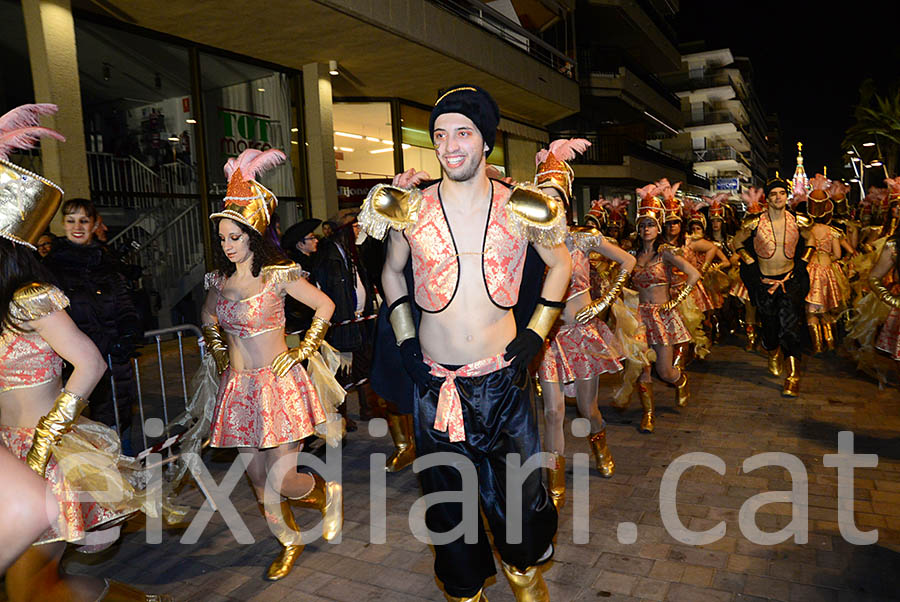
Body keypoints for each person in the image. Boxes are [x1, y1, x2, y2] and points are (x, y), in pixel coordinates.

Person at [360, 84, 570, 601]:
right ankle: (465, 589)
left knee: (520, 512)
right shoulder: (409, 209)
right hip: (435, 387)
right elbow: (392, 274)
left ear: (486, 142)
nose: (450, 145)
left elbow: (562, 263)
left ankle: (527, 584)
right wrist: (407, 344)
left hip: (503, 386)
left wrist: (535, 333)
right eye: (440, 134)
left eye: (463, 132)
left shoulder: (524, 205)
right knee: (449, 516)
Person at [0, 103, 171, 602]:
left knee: (30, 588)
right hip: (8, 456)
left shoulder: (31, 298)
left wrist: (51, 430)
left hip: (47, 455)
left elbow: (90, 361)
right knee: (32, 587)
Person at [201, 148, 342, 581]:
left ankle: (325, 492)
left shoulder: (279, 274)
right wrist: (223, 356)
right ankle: (288, 542)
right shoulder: (218, 282)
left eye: (234, 238)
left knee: (283, 478)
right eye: (222, 238)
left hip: (278, 386)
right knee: (258, 480)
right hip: (238, 389)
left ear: (253, 236)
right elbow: (208, 319)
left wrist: (303, 351)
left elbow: (325, 305)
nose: (226, 246)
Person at [529, 139, 635, 510]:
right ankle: (554, 484)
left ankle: (600, 445)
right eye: (543, 195)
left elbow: (628, 263)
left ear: (565, 199)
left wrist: (604, 303)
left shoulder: (584, 238)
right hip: (549, 340)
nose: (550, 202)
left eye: (555, 194)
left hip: (583, 335)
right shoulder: (530, 243)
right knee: (553, 411)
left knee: (587, 410)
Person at [43, 198, 141, 443]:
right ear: (63, 224)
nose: (78, 226)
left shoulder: (107, 266)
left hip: (114, 372)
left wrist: (128, 335)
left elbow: (127, 309)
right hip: (74, 375)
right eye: (71, 220)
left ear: (94, 224)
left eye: (84, 221)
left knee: (119, 443)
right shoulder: (49, 269)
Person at [628, 183, 700, 432]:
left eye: (650, 225)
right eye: (642, 225)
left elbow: (693, 274)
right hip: (638, 318)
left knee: (665, 370)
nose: (646, 229)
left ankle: (681, 381)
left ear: (658, 227)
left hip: (661, 317)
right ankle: (648, 415)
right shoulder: (633, 255)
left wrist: (675, 302)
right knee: (642, 369)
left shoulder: (665, 253)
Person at [732, 177, 812, 396]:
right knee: (769, 329)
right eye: (774, 193)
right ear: (767, 198)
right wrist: (749, 262)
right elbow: (737, 242)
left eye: (782, 193)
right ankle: (772, 351)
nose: (778, 197)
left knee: (791, 330)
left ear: (787, 196)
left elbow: (811, 238)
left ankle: (793, 376)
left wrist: (803, 262)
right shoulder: (754, 222)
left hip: (789, 284)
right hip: (765, 284)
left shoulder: (799, 220)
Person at [803, 174, 848, 353]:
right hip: (829, 270)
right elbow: (837, 254)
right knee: (827, 311)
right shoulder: (833, 231)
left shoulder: (807, 230)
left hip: (810, 271)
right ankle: (830, 342)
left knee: (811, 312)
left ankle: (817, 346)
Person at [281, 218, 322, 334]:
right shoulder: (295, 265)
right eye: (312, 238)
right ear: (300, 244)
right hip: (302, 318)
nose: (316, 241)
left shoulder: (314, 260)